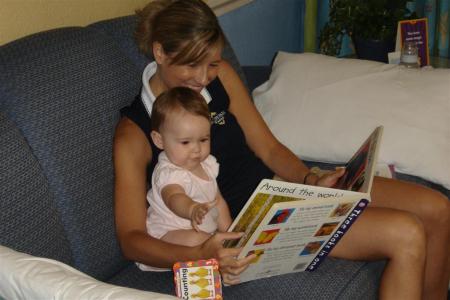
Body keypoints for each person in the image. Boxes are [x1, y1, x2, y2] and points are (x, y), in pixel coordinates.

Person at [113, 0, 450, 298]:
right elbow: (131, 238)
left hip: (281, 191)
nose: (204, 77)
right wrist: (201, 250)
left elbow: (269, 148)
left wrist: (310, 178)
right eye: (192, 65)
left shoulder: (222, 77)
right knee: (406, 234)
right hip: (253, 229)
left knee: (438, 208)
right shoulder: (137, 131)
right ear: (160, 53)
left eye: (212, 63)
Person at [137, 87, 232, 272]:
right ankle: (222, 268)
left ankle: (225, 257)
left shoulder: (208, 165)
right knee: (202, 242)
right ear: (159, 140)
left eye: (203, 140)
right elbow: (173, 197)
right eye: (186, 142)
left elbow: (218, 201)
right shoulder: (169, 172)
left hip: (202, 232)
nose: (196, 149)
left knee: (218, 242)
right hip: (167, 237)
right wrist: (191, 209)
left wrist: (229, 232)